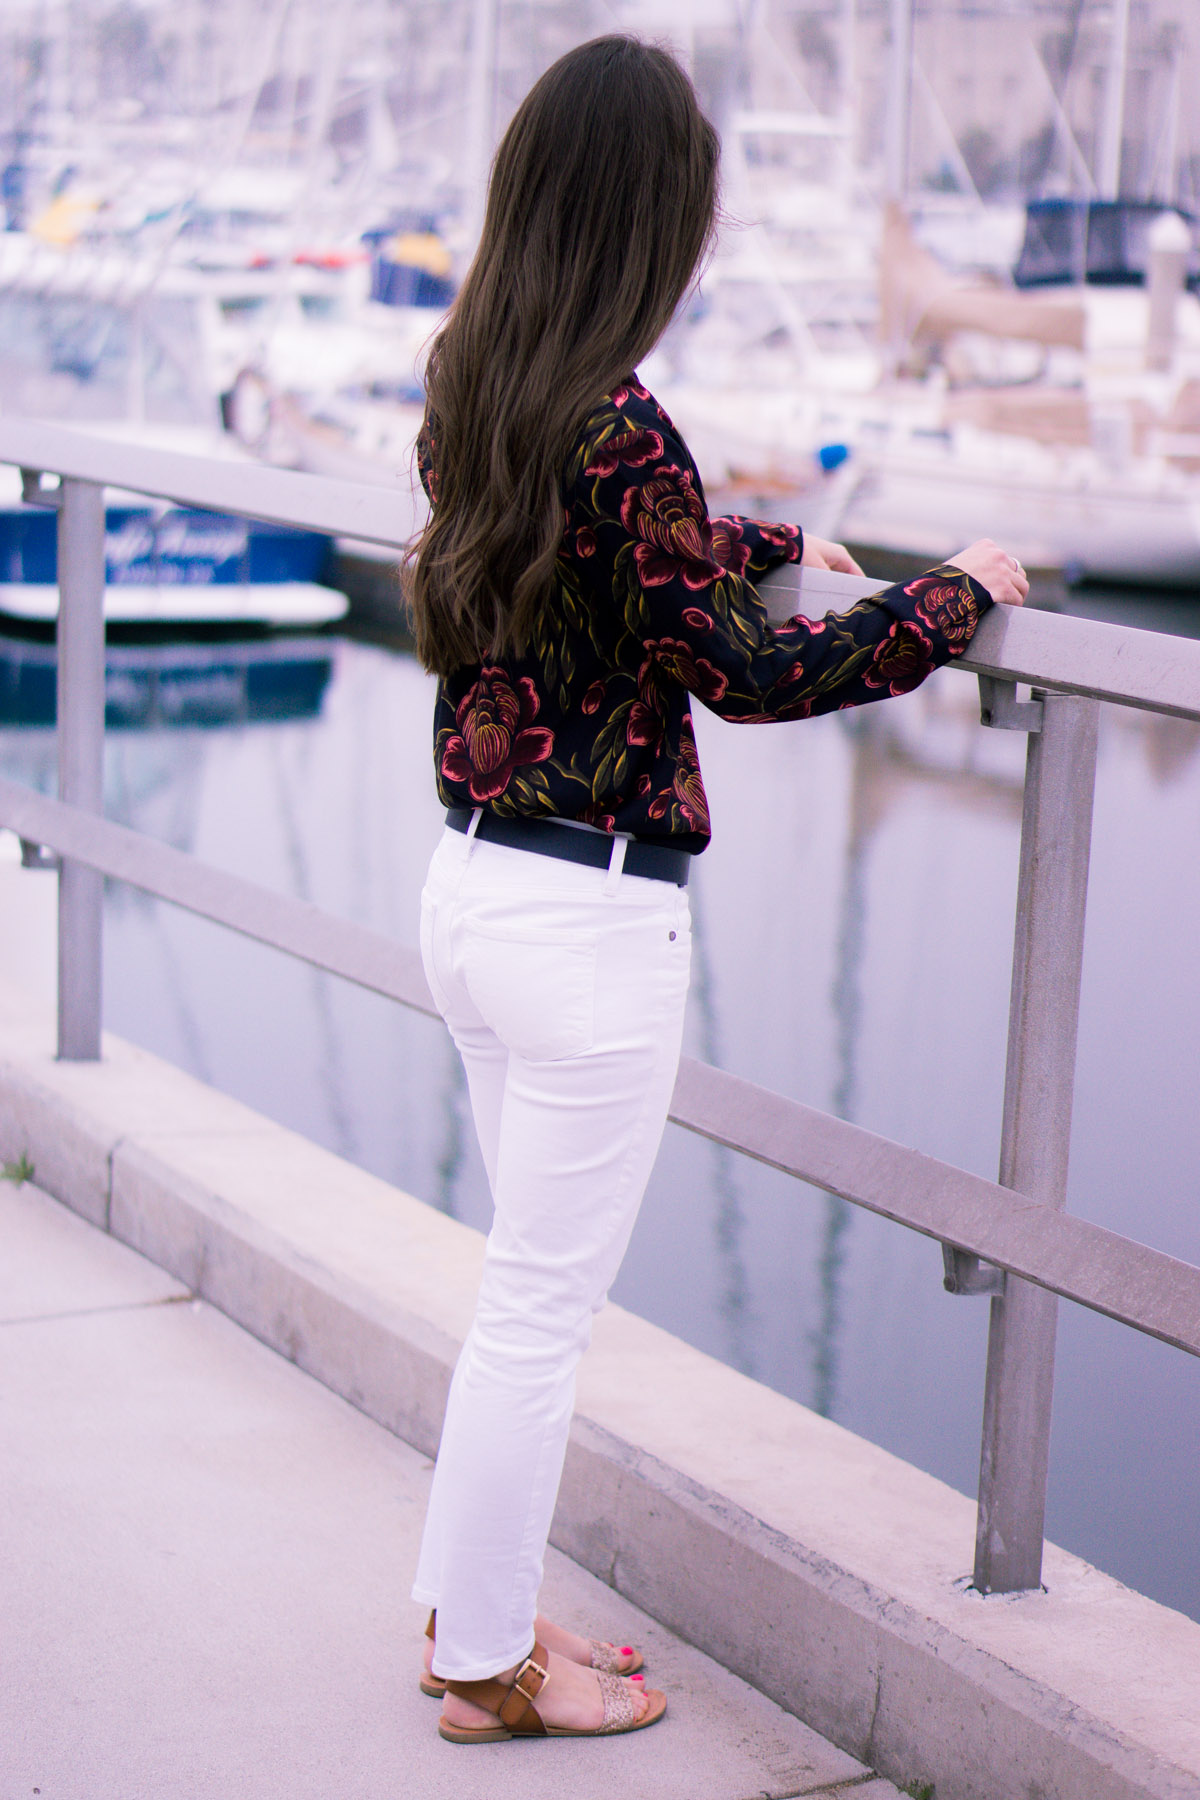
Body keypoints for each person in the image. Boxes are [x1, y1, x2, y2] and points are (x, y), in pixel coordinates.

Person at [405, 34, 1027, 1748]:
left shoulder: (479, 376)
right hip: (594, 923)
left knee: (516, 1291)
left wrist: (754, 543)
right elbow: (749, 682)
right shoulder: (623, 425)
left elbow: (629, 556)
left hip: (469, 895)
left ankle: (476, 1624)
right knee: (541, 1306)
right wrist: (953, 595)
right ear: (653, 220)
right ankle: (483, 1667)